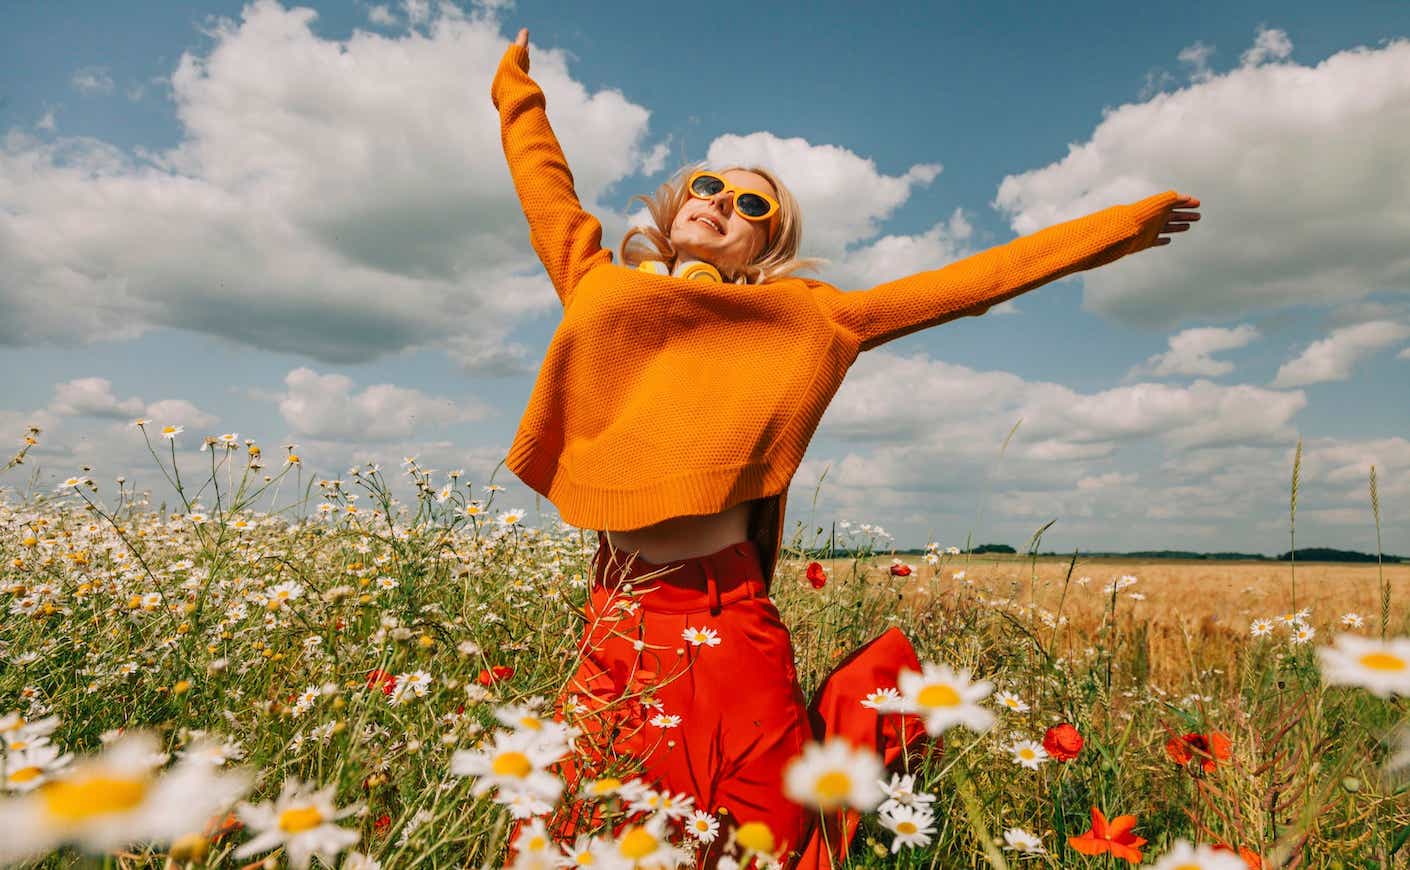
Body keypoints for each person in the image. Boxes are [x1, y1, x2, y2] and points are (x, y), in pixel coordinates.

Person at [491, 26, 1200, 868]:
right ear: (679, 200)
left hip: (728, 618)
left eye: (752, 206)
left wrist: (1116, 229)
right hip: (617, 612)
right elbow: (545, 187)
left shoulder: (803, 316)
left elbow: (967, 285)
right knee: (579, 834)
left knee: (764, 839)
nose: (721, 202)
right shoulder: (598, 282)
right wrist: (514, 88)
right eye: (711, 185)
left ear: (766, 245)